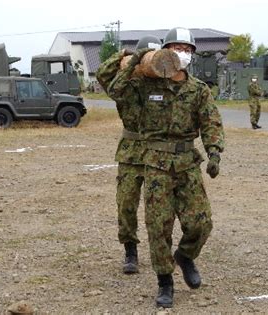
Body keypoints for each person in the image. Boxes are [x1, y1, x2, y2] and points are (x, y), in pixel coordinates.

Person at [107, 27, 225, 308]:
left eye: (187, 49)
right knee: (158, 226)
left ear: (193, 55)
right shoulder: (144, 85)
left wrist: (214, 151)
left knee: (201, 222)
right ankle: (165, 281)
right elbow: (115, 89)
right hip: (156, 164)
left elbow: (211, 121)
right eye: (176, 48)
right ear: (165, 51)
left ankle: (185, 256)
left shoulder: (198, 89)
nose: (181, 54)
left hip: (187, 164)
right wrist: (134, 61)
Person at [96, 35, 163, 275]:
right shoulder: (125, 84)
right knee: (126, 204)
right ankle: (130, 250)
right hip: (131, 151)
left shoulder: (165, 83)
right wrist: (126, 55)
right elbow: (103, 74)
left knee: (161, 206)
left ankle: (164, 250)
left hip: (159, 151)